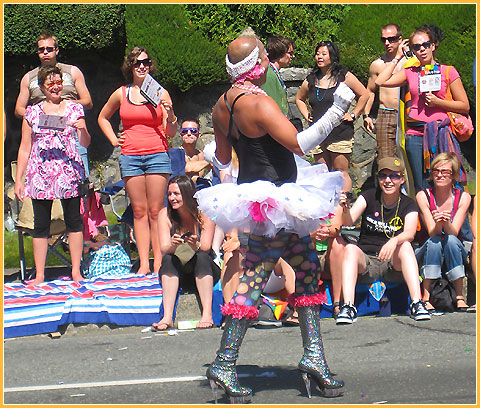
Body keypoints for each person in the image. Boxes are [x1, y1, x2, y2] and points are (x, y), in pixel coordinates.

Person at [195, 28, 356, 403]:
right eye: (264, 57)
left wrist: (210, 153)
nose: (270, 60)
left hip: (266, 200)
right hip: (277, 204)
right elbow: (301, 143)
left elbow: (220, 157)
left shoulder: (223, 104)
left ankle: (313, 356)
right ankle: (226, 361)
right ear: (254, 67)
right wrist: (336, 109)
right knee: (254, 279)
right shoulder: (258, 104)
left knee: (307, 271)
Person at [98, 46, 178, 275]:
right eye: (137, 63)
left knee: (156, 211)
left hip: (157, 154)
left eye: (146, 62)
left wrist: (170, 114)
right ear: (130, 67)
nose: (142, 66)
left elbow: (171, 131)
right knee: (139, 211)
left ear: (150, 65)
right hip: (131, 156)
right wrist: (114, 138)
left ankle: (160, 262)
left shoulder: (160, 93)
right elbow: (103, 117)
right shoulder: (121, 93)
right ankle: (144, 263)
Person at [14, 66, 91, 285]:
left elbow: (85, 142)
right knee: (41, 225)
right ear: (41, 87)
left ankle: (76, 270)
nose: (56, 87)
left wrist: (82, 129)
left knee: (74, 222)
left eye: (59, 82)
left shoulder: (75, 108)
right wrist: (19, 180)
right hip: (40, 174)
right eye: (51, 84)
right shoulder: (32, 112)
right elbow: (24, 148)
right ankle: (39, 274)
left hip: (69, 173)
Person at [336, 157, 431, 324]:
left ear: (402, 179)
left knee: (406, 246)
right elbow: (348, 221)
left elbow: (409, 232)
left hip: (392, 264)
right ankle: (348, 306)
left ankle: (417, 302)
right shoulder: (369, 196)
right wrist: (344, 209)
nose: (388, 181)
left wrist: (394, 241)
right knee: (350, 248)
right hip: (367, 262)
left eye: (393, 176)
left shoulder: (408, 204)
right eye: (383, 176)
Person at [375, 27, 470, 193]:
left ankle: (455, 218)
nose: (421, 49)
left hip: (442, 132)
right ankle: (425, 219)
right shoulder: (410, 72)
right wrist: (398, 57)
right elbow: (381, 81)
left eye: (425, 45)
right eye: (416, 46)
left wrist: (438, 102)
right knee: (422, 186)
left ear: (433, 46)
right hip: (415, 134)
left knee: (450, 183)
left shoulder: (448, 71)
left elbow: (464, 105)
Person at [14, 31, 93, 177]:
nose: (45, 52)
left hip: (71, 132)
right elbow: (19, 109)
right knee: (43, 181)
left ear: (56, 50)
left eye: (49, 49)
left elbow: (87, 101)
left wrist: (64, 106)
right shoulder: (29, 78)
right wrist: (41, 117)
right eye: (41, 49)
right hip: (42, 135)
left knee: (80, 180)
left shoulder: (72, 72)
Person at [295, 40, 369, 191]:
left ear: (333, 56)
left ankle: (344, 207)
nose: (319, 57)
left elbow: (364, 94)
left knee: (340, 172)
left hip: (339, 132)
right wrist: (306, 114)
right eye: (317, 54)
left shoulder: (344, 76)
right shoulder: (312, 78)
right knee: (322, 172)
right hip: (318, 133)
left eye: (324, 54)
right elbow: (299, 98)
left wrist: (354, 114)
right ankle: (326, 207)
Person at [153, 175, 219, 330]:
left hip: (204, 268)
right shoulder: (165, 214)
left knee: (202, 257)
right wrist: (173, 245)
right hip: (180, 270)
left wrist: (195, 244)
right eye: (169, 194)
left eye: (176, 194)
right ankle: (167, 317)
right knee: (168, 259)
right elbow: (163, 248)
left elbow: (206, 247)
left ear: (188, 194)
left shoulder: (204, 213)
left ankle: (207, 314)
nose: (172, 198)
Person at [415, 153, 471, 312]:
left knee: (451, 240)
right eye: (436, 171)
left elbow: (454, 231)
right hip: (429, 245)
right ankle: (425, 297)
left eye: (445, 172)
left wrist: (445, 221)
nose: (440, 175)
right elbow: (433, 233)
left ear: (453, 175)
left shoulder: (463, 197)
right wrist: (439, 223)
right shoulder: (423, 196)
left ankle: (459, 296)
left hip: (453, 246)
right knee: (435, 242)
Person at [364, 24, 406, 160]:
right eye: (384, 40)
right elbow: (370, 91)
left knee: (408, 157)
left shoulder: (411, 62)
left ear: (400, 39)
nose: (387, 43)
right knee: (385, 158)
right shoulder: (378, 64)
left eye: (391, 39)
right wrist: (366, 114)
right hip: (385, 113)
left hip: (406, 112)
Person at [261, 34, 295, 115]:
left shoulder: (273, 72)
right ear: (280, 53)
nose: (293, 56)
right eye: (290, 53)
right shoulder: (269, 75)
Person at [180, 119, 212, 183]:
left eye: (193, 131)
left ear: (199, 134)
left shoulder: (202, 155)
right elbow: (187, 168)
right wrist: (209, 161)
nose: (189, 133)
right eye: (185, 131)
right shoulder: (176, 154)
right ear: (181, 134)